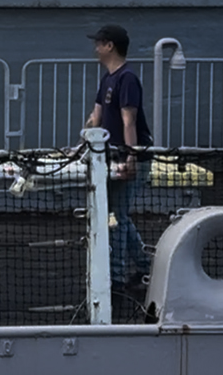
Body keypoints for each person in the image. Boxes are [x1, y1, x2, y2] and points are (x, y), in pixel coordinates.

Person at [85, 24, 154, 296]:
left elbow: (129, 121)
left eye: (99, 43)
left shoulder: (127, 79)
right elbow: (95, 117)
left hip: (128, 157)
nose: (96, 48)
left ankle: (115, 279)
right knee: (118, 213)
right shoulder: (108, 79)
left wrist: (130, 157)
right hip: (113, 157)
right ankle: (145, 266)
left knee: (116, 215)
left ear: (109, 45)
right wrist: (79, 146)